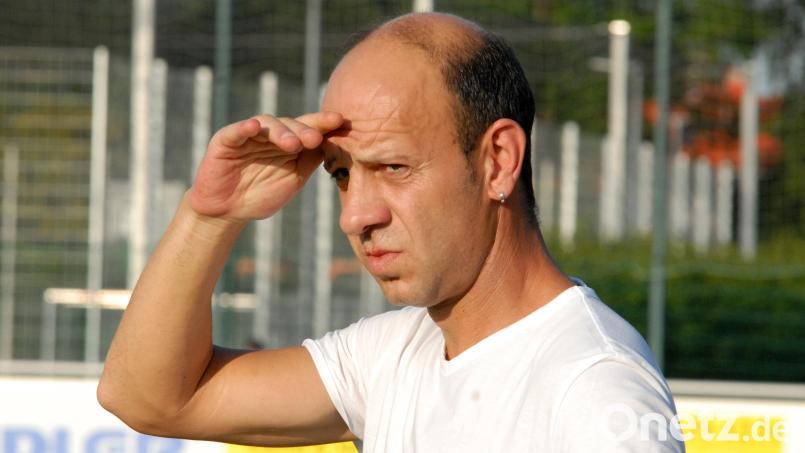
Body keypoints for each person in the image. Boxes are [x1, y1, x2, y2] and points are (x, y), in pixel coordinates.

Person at [98, 12, 685, 453]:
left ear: (499, 161)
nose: (355, 216)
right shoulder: (395, 353)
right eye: (343, 175)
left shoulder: (595, 390)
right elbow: (149, 398)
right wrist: (210, 216)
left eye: (394, 168)